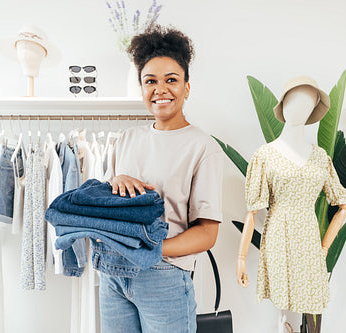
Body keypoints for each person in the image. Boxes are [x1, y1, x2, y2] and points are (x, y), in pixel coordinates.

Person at [98, 24, 224, 333]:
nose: (160, 89)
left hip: (164, 275)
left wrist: (153, 249)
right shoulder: (126, 139)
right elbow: (101, 205)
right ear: (141, 87)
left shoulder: (203, 146)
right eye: (150, 81)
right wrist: (117, 180)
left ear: (187, 88)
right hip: (113, 274)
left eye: (172, 80)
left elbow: (207, 233)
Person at [236, 76, 346, 332]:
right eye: (294, 100)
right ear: (283, 103)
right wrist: (241, 257)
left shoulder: (321, 157)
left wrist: (323, 248)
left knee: (307, 303)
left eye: (307, 103)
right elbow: (252, 210)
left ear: (313, 112)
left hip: (309, 238)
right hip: (278, 236)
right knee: (281, 307)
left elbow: (343, 203)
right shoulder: (265, 155)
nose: (300, 107)